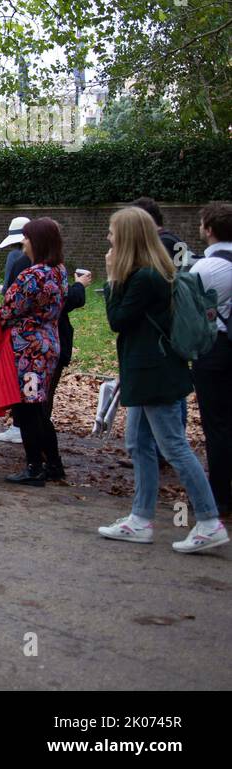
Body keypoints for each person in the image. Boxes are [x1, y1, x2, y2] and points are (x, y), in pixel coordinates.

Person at [98, 206, 226, 552]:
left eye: (112, 233)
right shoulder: (148, 274)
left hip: (155, 374)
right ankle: (140, 519)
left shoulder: (145, 278)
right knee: (139, 444)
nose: (107, 239)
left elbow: (118, 320)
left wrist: (111, 280)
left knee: (174, 446)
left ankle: (209, 521)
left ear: (126, 237)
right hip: (146, 372)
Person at [0, 218, 68, 485]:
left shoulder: (32, 275)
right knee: (38, 408)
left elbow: (9, 309)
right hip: (49, 343)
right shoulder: (59, 271)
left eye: (26, 237)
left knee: (27, 409)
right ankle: (54, 464)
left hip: (28, 353)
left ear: (36, 241)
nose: (23, 242)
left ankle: (34, 466)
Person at [190, 202, 232, 518]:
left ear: (208, 229)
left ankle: (220, 496)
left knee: (216, 424)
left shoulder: (204, 269)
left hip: (215, 348)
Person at [0, 215, 32, 444]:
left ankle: (19, 425)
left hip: (19, 332)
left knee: (18, 378)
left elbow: (11, 292)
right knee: (33, 386)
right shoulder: (50, 264)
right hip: (44, 339)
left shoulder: (15, 257)